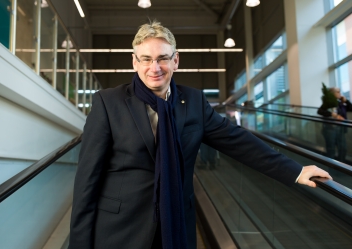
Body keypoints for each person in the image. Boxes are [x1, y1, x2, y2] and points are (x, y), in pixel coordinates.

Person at [69, 21, 332, 249]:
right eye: (146, 59)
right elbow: (87, 181)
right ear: (135, 62)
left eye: (162, 58)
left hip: (176, 226)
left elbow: (237, 141)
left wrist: (295, 171)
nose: (155, 67)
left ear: (176, 60)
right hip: (120, 229)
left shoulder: (193, 102)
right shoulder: (109, 102)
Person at [318, 87, 352, 162]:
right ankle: (331, 169)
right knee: (331, 150)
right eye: (337, 92)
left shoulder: (340, 103)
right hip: (330, 129)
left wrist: (346, 101)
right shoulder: (327, 103)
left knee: (343, 148)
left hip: (341, 129)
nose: (339, 93)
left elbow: (350, 108)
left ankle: (341, 167)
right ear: (332, 94)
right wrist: (332, 114)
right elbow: (320, 111)